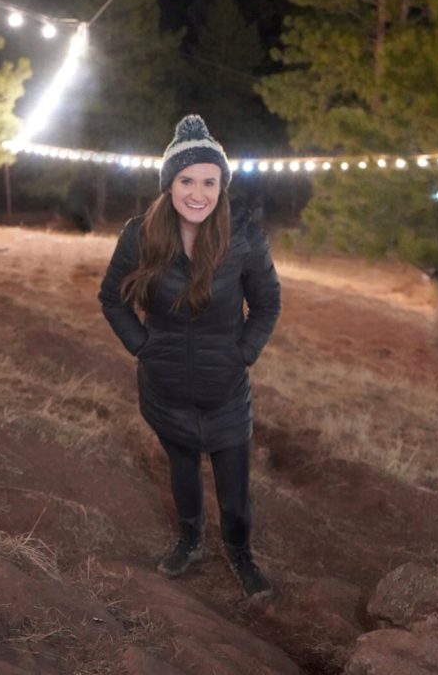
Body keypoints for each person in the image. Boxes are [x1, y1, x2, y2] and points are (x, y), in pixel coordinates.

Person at [99, 115, 281, 600]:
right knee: (182, 471)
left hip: (225, 390)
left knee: (235, 491)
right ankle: (190, 540)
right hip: (166, 387)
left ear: (221, 186)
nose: (197, 192)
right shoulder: (141, 235)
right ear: (169, 184)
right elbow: (111, 298)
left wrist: (242, 352)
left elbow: (267, 303)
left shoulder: (243, 236)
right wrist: (142, 346)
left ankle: (241, 555)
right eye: (186, 180)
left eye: (208, 181)